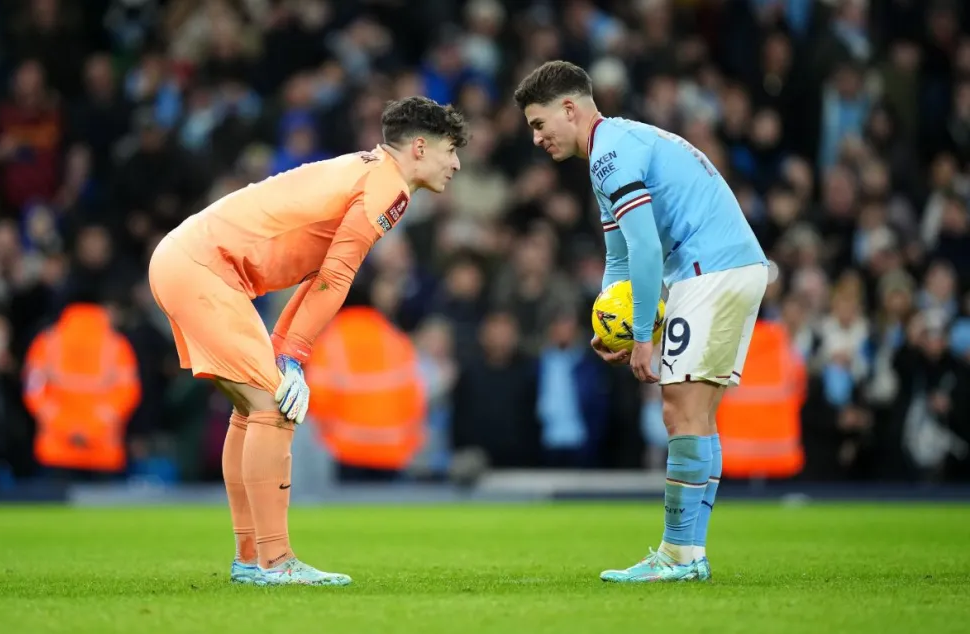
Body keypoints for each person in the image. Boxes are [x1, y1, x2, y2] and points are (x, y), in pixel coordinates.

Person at [148, 96, 467, 586]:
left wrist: (283, 346)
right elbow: (337, 275)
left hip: (190, 260)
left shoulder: (367, 172)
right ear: (420, 148)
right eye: (451, 149)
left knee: (251, 408)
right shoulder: (388, 187)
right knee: (273, 407)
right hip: (206, 268)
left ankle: (251, 560)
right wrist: (294, 356)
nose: (457, 163)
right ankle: (275, 561)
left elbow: (317, 272)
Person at [514, 61, 768, 583]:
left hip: (709, 270)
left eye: (539, 124)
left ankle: (679, 555)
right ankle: (688, 554)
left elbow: (648, 249)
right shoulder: (613, 147)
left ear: (569, 109)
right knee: (697, 414)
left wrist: (643, 337)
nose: (536, 138)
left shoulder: (610, 155)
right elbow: (621, 259)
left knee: (680, 410)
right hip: (729, 266)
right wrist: (612, 321)